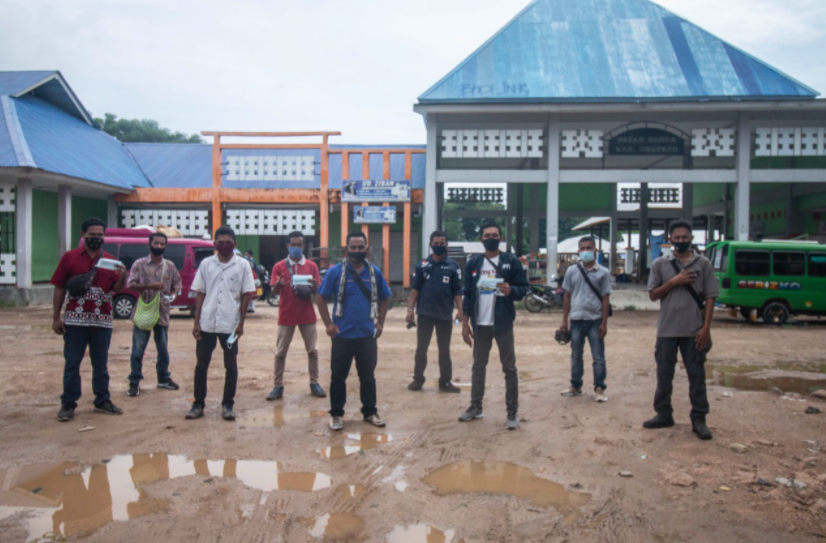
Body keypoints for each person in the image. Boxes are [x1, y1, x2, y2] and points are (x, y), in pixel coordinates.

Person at [644, 219, 719, 440]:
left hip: (694, 330)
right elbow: (653, 295)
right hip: (667, 329)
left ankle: (699, 419)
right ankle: (663, 414)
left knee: (696, 375)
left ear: (691, 239)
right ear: (670, 240)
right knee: (664, 374)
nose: (681, 241)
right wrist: (674, 281)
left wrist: (706, 328)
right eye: (676, 238)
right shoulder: (660, 264)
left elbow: (711, 296)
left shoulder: (703, 263)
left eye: (685, 237)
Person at [50, 217, 127, 421]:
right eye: (92, 235)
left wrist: (123, 276)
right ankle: (68, 404)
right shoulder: (70, 258)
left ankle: (102, 400)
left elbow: (117, 289)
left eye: (100, 235)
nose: (96, 238)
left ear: (104, 236)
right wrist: (56, 317)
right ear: (82, 235)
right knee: (72, 363)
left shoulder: (111, 260)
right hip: (75, 322)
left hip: (102, 322)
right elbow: (59, 286)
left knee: (101, 364)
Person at [317, 232, 391, 431]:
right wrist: (328, 324)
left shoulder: (374, 272)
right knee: (338, 376)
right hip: (342, 335)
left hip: (367, 334)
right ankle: (336, 414)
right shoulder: (335, 272)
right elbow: (321, 297)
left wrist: (380, 323)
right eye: (353, 247)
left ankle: (370, 412)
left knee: (367, 376)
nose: (357, 251)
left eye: (361, 247)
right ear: (346, 249)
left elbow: (385, 298)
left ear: (366, 249)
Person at [458, 222, 529, 430]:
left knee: (509, 368)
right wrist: (464, 323)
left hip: (503, 323)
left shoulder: (510, 261)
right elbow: (468, 294)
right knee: (478, 366)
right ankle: (475, 407)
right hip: (481, 325)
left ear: (501, 237)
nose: (491, 237)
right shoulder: (473, 263)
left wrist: (511, 291)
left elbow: (524, 287)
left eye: (495, 234)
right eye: (487, 235)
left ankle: (512, 411)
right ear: (481, 239)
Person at [186, 226, 256, 421]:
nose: (224, 245)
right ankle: (198, 404)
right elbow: (200, 293)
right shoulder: (206, 264)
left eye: (228, 242)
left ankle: (228, 405)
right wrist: (196, 321)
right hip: (207, 323)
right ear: (215, 244)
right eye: (220, 242)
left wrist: (241, 323)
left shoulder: (242, 265)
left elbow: (245, 295)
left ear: (235, 244)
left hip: (230, 325)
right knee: (201, 365)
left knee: (231, 366)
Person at [267, 231, 325, 400]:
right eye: (293, 244)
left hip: (307, 315)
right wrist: (277, 286)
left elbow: (317, 291)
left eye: (299, 245)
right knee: (280, 353)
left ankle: (314, 383)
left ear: (304, 246)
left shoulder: (311, 266)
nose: (296, 248)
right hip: (286, 315)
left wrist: (315, 286)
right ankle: (278, 386)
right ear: (287, 246)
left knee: (313, 351)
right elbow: (273, 290)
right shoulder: (279, 266)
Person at [126, 232, 183, 397]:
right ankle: (134, 382)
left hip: (163, 312)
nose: (158, 246)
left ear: (166, 246)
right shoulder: (140, 264)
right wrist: (150, 286)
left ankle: (163, 378)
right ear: (149, 245)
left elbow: (178, 283)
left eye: (161, 244)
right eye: (156, 243)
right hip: (144, 312)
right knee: (138, 350)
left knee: (163, 349)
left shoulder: (170, 266)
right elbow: (131, 285)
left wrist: (174, 293)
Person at [406, 230, 463, 393]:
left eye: (442, 243)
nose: (439, 246)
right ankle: (418, 379)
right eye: (436, 243)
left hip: (445, 315)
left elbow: (457, 290)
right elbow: (415, 288)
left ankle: (445, 381)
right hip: (424, 314)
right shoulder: (422, 265)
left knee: (444, 349)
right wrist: (410, 309)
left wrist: (460, 311)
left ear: (446, 245)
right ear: (431, 245)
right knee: (421, 348)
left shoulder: (453, 266)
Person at [559, 236, 612, 402]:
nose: (586, 251)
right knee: (575, 355)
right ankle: (576, 385)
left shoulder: (603, 272)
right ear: (578, 251)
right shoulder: (571, 271)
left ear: (595, 250)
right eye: (582, 248)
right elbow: (567, 296)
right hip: (576, 319)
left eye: (589, 248)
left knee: (598, 356)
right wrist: (564, 321)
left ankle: (599, 387)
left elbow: (605, 298)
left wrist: (604, 323)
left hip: (595, 320)